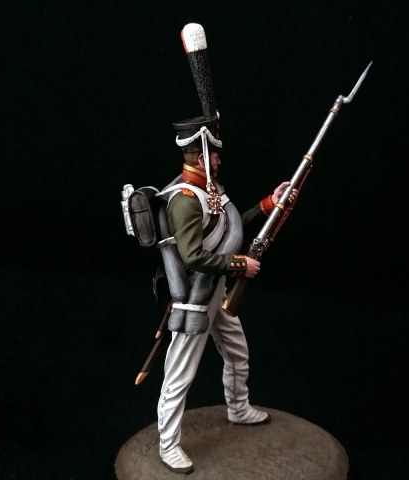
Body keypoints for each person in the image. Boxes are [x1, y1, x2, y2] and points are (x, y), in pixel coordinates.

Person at [154, 114, 297, 474]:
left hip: (215, 290)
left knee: (236, 351)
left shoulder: (208, 190)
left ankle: (238, 407)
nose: (219, 160)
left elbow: (231, 229)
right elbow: (193, 256)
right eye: (214, 154)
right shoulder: (185, 199)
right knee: (180, 375)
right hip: (193, 297)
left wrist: (268, 204)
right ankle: (167, 444)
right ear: (201, 157)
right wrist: (239, 265)